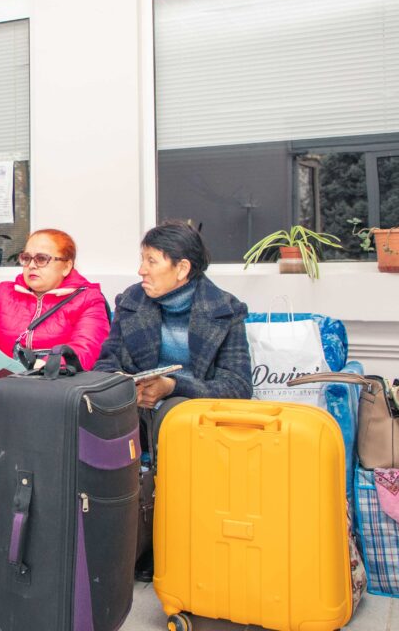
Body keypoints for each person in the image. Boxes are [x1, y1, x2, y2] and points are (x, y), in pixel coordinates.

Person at [93, 220, 252, 580]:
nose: (141, 270)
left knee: (175, 414)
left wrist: (173, 386)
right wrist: (125, 386)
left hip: (193, 420)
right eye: (142, 259)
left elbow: (239, 385)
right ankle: (110, 541)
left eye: (151, 261)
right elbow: (106, 363)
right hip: (134, 412)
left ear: (182, 268)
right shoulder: (131, 301)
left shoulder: (225, 309)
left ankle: (173, 545)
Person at [0, 229, 111, 497]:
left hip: (53, 391)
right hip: (2, 391)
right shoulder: (4, 293)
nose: (31, 265)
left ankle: (44, 503)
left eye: (42, 259)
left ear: (66, 265)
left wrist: (28, 378)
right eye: (26, 258)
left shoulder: (88, 299)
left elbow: (82, 353)